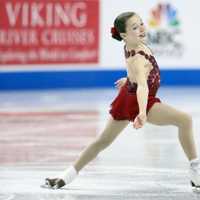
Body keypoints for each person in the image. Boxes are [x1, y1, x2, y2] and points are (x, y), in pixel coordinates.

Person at [44, 12, 200, 190]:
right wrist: (142, 112)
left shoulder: (130, 45)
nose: (141, 28)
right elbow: (142, 86)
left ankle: (67, 176)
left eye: (141, 23)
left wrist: (129, 79)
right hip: (141, 100)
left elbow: (135, 73)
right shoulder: (137, 57)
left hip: (127, 95)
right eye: (135, 27)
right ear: (124, 35)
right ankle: (196, 170)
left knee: (103, 140)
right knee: (185, 120)